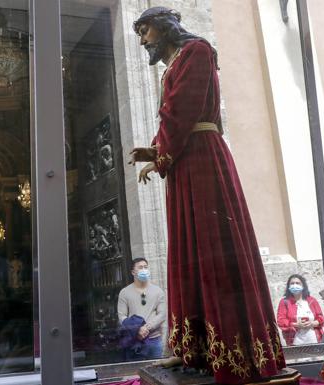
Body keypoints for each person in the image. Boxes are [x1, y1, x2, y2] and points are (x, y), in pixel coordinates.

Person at [129, 7, 285, 383]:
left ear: (165, 27)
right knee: (188, 252)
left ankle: (235, 353)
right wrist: (155, 151)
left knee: (213, 250)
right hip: (186, 162)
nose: (143, 39)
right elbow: (172, 118)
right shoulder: (176, 62)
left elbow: (183, 111)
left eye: (146, 30)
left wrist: (161, 155)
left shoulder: (197, 51)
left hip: (201, 159)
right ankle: (191, 349)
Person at [117, 258, 166, 361]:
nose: (144, 270)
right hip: (134, 341)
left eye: (146, 267)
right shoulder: (124, 292)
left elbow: (162, 314)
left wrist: (146, 328)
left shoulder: (158, 291)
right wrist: (137, 329)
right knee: (135, 373)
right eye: (140, 267)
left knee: (157, 372)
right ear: (133, 272)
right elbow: (122, 316)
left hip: (154, 340)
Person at [276, 275, 324, 346]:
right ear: (288, 286)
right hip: (295, 341)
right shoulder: (284, 302)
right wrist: (296, 325)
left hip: (314, 339)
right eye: (292, 283)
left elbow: (321, 318)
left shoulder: (312, 300)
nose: (294, 285)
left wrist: (312, 323)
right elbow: (281, 320)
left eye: (297, 283)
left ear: (303, 286)